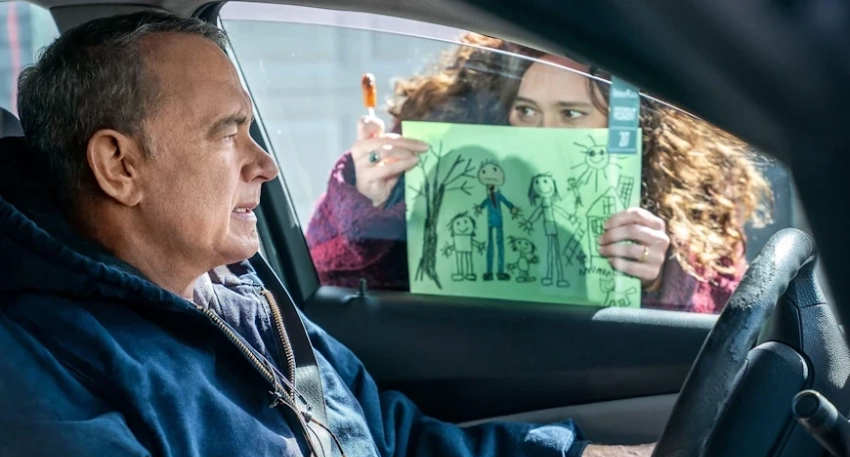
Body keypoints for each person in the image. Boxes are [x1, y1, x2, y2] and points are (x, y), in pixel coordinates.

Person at [0, 11, 652, 457]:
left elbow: (388, 446)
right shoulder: (40, 372)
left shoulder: (241, 289)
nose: (265, 164)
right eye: (228, 133)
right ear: (120, 166)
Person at [306, 35, 772, 313]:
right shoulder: (442, 172)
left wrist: (660, 281)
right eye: (526, 111)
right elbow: (334, 293)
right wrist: (367, 204)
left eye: (570, 114)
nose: (543, 133)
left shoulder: (692, 202)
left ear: (629, 128)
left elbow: (725, 330)